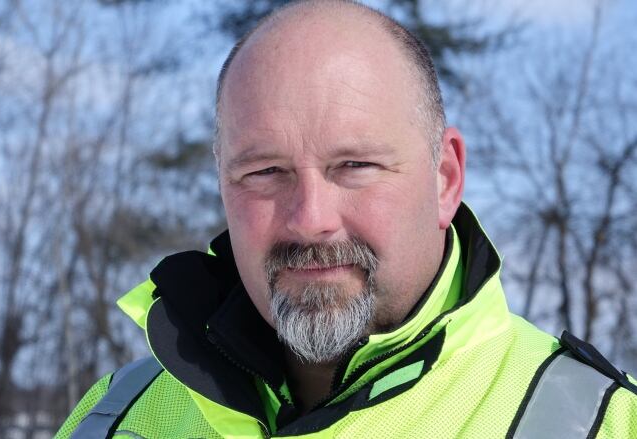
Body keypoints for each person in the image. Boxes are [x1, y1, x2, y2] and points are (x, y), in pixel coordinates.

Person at [55, 1, 637, 437]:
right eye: (264, 172)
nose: (310, 220)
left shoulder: (600, 423)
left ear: (445, 180)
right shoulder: (114, 418)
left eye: (355, 165)